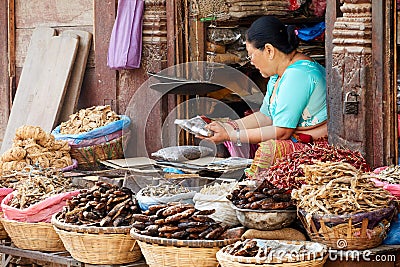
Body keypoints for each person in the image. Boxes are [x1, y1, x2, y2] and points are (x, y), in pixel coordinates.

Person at [202, 16, 328, 178]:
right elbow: (265, 116)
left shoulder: (298, 74)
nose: (251, 62)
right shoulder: (279, 75)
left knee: (268, 150)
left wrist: (231, 135)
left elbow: (282, 132)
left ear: (269, 50)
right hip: (297, 139)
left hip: (317, 146)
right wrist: (229, 126)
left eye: (251, 55)